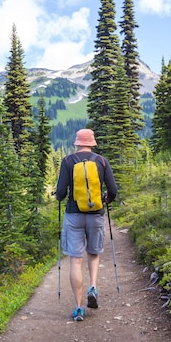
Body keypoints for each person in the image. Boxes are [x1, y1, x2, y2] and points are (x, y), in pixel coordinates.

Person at [55, 128, 117, 321]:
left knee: (75, 259)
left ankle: (79, 307)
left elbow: (61, 193)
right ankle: (93, 286)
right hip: (96, 214)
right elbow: (113, 190)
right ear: (92, 143)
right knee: (93, 253)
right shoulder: (101, 161)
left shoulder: (67, 161)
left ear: (77, 142)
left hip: (74, 215)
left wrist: (58, 197)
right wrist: (106, 199)